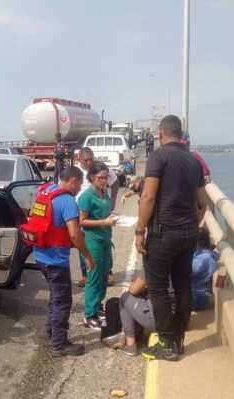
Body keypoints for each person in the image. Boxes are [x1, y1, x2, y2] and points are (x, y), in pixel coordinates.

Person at [135, 115, 208, 361]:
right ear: (181, 134)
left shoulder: (159, 157)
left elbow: (148, 197)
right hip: (188, 233)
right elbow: (202, 202)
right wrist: (193, 225)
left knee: (158, 289)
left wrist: (139, 230)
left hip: (163, 234)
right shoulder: (193, 160)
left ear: (160, 134)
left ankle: (167, 343)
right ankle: (178, 339)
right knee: (182, 286)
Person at [32, 166, 96, 357]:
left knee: (55, 295)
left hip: (40, 255)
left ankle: (49, 331)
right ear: (74, 181)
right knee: (63, 302)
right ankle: (59, 345)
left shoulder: (47, 190)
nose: (79, 189)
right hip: (56, 260)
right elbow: (75, 235)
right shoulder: (67, 200)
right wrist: (87, 255)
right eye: (79, 184)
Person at [78, 161, 118, 329]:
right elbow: (82, 221)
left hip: (104, 238)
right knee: (93, 278)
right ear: (93, 178)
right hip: (92, 240)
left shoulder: (104, 193)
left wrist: (112, 218)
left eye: (106, 177)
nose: (105, 180)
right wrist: (104, 221)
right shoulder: (87, 196)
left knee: (103, 276)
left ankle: (97, 307)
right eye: (101, 178)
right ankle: (89, 314)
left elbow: (106, 212)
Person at [75, 147, 119, 288]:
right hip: (80, 210)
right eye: (85, 160)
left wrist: (112, 201)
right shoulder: (75, 171)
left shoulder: (100, 169)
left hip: (99, 208)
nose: (88, 163)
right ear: (79, 159)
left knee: (104, 241)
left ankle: (107, 272)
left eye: (91, 159)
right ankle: (86, 274)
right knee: (83, 243)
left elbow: (115, 182)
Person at [191, 228, 218, 311]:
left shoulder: (204, 258)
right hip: (200, 296)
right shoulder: (208, 255)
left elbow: (188, 271)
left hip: (198, 298)